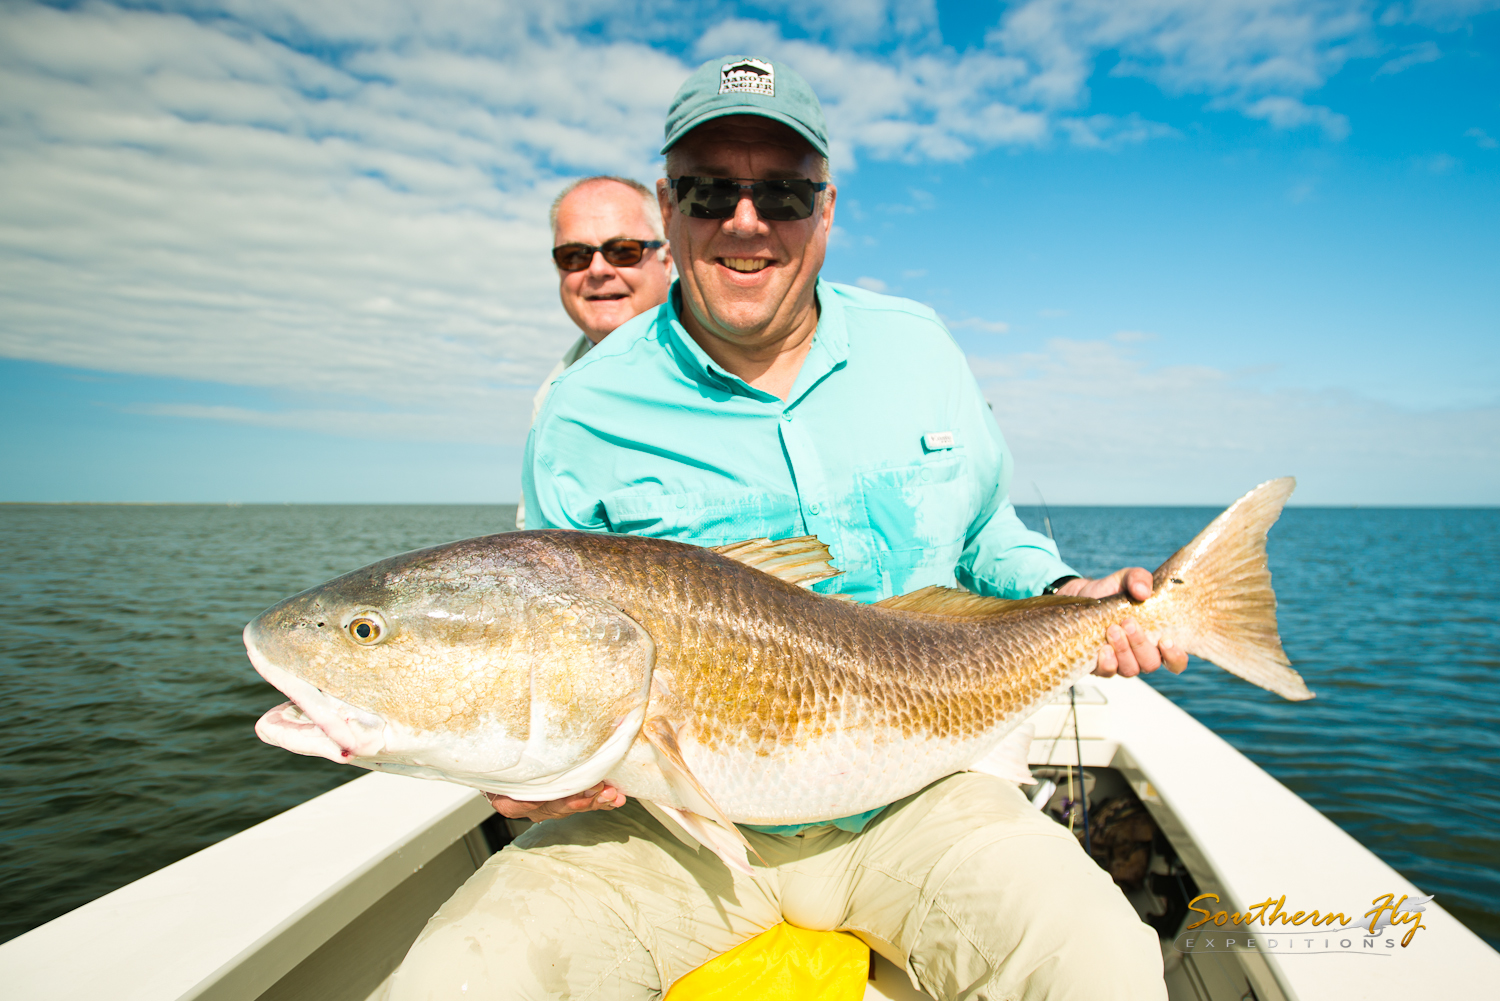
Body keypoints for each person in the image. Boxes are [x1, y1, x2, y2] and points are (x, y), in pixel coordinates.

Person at [393, 55, 1184, 1001]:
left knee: (1100, 961)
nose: (745, 219)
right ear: (667, 205)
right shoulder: (581, 411)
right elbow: (546, 634)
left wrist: (1067, 596)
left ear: (828, 207)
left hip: (918, 794)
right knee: (456, 979)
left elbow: (987, 535)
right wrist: (526, 769)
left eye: (781, 191)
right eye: (710, 189)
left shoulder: (918, 347)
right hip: (667, 828)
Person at [514, 175, 673, 529]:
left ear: (666, 260)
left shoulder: (733, 346)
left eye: (623, 250)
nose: (598, 270)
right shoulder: (551, 402)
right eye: (574, 256)